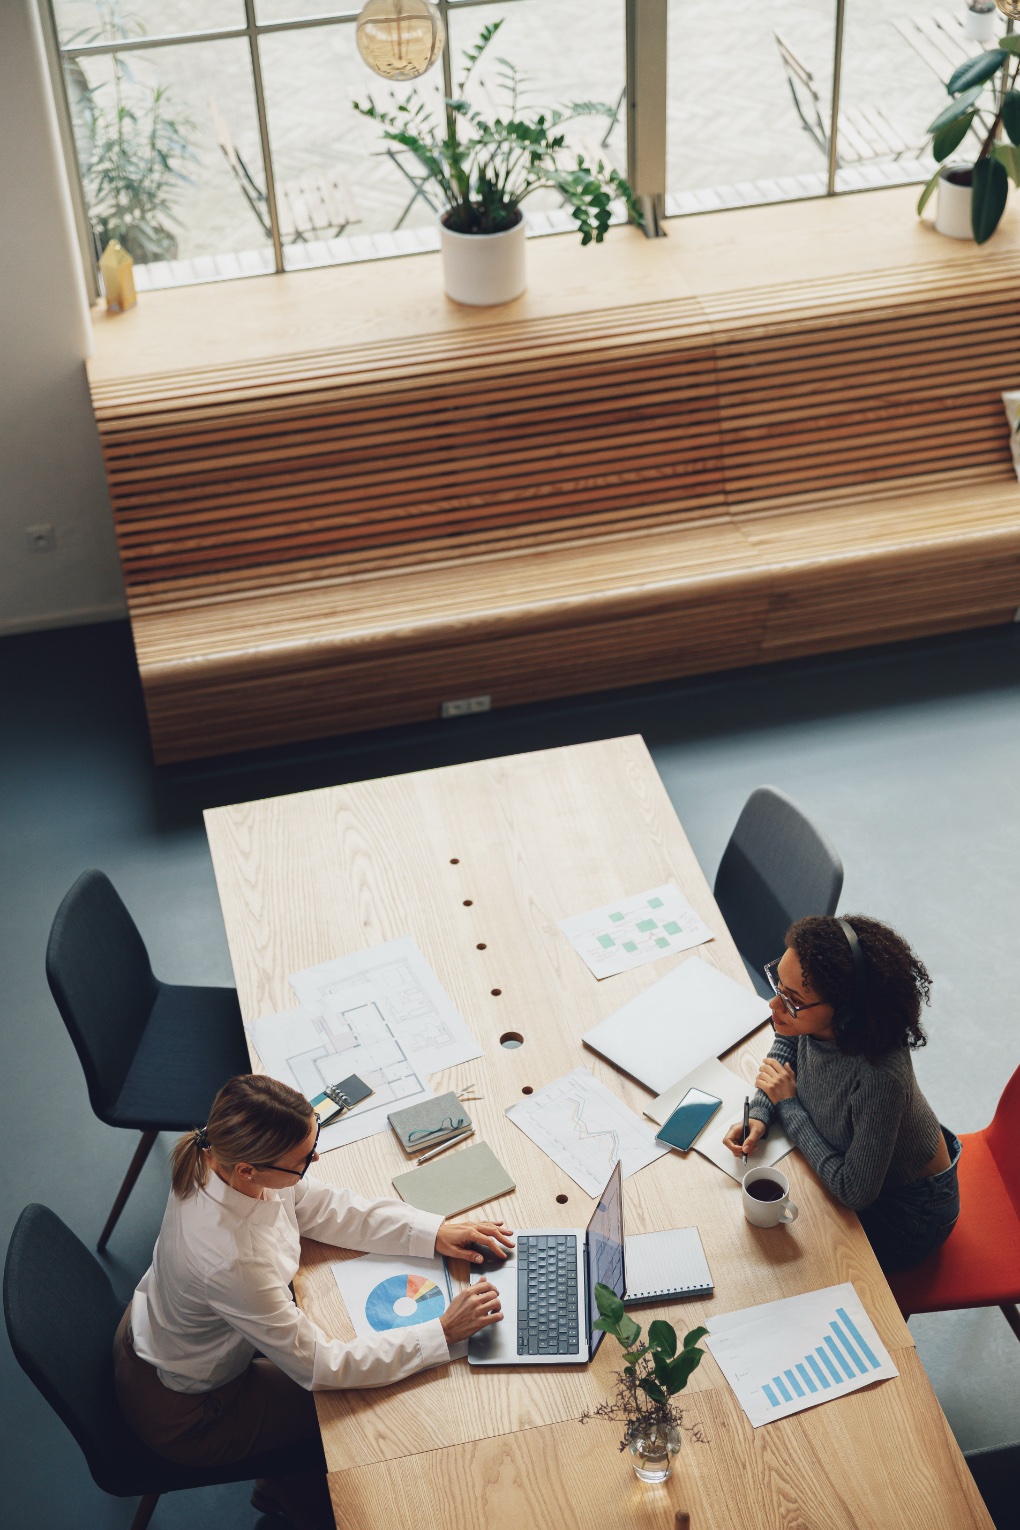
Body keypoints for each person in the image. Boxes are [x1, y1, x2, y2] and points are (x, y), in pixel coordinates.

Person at [113, 1074, 512, 1530]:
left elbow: (318, 1205)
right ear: (248, 1170)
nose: (314, 1160)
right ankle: (298, 1499)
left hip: (158, 1332)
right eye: (302, 1159)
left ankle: (277, 1482)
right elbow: (324, 1366)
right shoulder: (231, 1259)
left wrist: (432, 1231)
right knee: (357, 1412)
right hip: (191, 1412)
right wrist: (440, 1332)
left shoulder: (216, 1156)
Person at [723, 914, 960, 1274]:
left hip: (908, 1214)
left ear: (846, 1013)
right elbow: (788, 1038)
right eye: (778, 987)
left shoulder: (880, 1078)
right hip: (854, 1165)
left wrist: (787, 1105)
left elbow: (854, 1191)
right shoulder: (816, 1020)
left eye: (791, 1000)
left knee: (792, 1263)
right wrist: (761, 1111)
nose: (774, 1006)